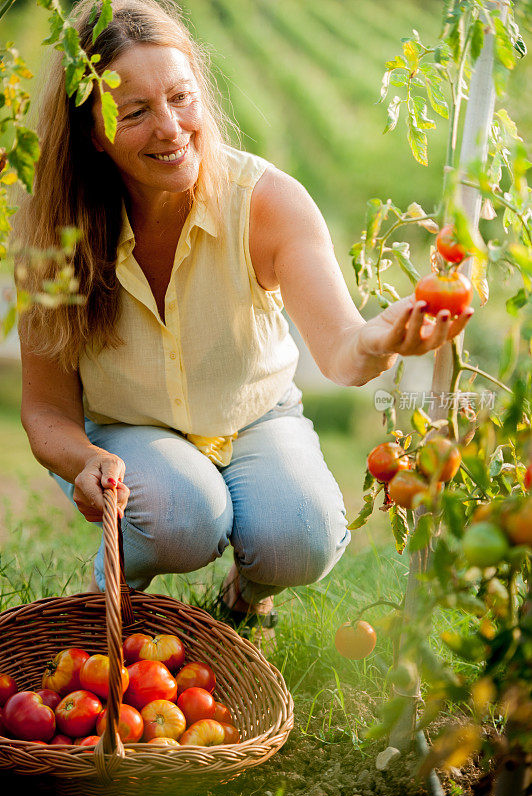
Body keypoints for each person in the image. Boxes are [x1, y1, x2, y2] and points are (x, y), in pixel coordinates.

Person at [14, 0, 473, 645]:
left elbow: (343, 348)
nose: (172, 128)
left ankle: (247, 594)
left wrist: (380, 338)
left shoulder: (266, 203)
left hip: (255, 417)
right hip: (127, 431)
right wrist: (86, 461)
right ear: (92, 131)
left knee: (305, 534)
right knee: (185, 515)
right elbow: (45, 411)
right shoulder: (55, 235)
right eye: (136, 111)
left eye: (181, 97)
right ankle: (117, 593)